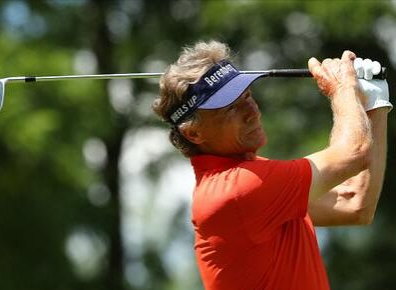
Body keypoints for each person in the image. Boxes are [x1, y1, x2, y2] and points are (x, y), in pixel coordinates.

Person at [152, 40, 391, 290]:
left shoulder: (254, 179)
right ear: (194, 133)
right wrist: (343, 89)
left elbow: (354, 204)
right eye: (231, 107)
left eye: (246, 95)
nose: (252, 110)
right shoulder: (236, 191)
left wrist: (374, 104)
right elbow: (354, 153)